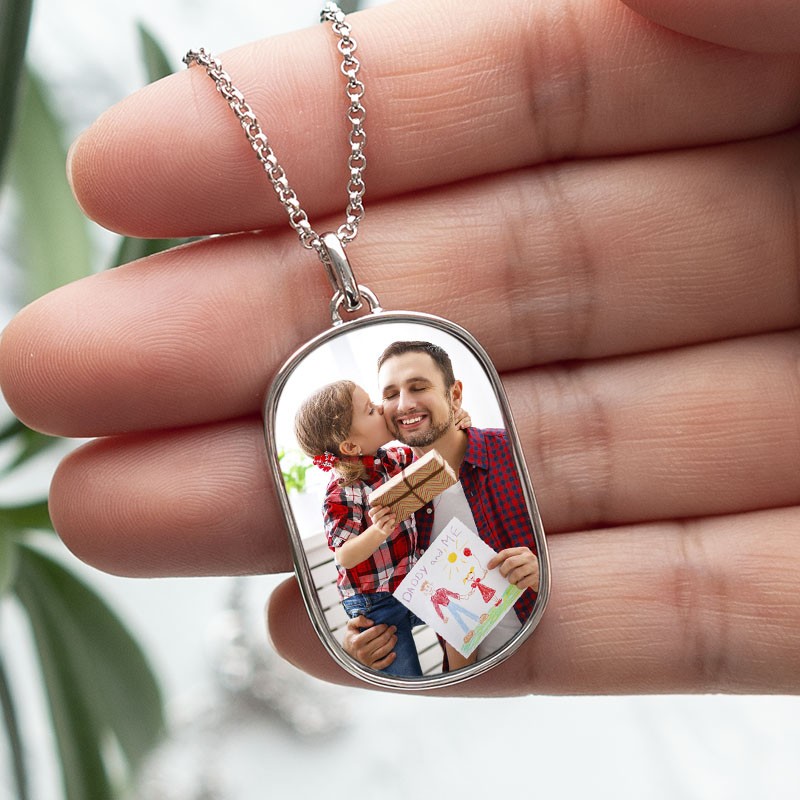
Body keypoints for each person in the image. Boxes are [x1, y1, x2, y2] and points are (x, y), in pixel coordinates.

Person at [1, 0, 799, 695]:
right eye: (384, 399)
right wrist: (366, 607)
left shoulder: (476, 463)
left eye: (414, 389)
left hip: (468, 607)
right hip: (390, 605)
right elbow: (348, 553)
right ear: (358, 433)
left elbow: (492, 551)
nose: (398, 408)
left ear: (456, 395)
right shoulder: (366, 482)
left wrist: (515, 573)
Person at [342, 340, 540, 670]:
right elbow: (384, 595)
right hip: (471, 680)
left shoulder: (513, 453)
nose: (404, 404)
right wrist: (356, 642)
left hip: (549, 647)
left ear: (455, 395)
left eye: (418, 387)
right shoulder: (382, 500)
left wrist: (544, 571)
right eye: (390, 395)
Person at [293, 378, 470, 676]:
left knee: (461, 621)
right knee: (400, 670)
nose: (381, 408)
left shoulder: (393, 460)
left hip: (412, 583)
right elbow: (344, 556)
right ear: (351, 445)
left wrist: (457, 426)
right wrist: (377, 531)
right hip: (376, 602)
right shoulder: (342, 492)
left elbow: (438, 458)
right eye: (371, 410)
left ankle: (459, 677)